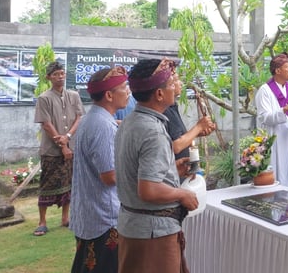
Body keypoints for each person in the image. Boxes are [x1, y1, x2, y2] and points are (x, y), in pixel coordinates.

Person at [114, 58, 198, 273]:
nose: (175, 87)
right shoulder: (153, 131)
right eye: (171, 84)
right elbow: (148, 190)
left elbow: (136, 172)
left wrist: (172, 170)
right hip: (153, 234)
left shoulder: (131, 122)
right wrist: (181, 194)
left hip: (134, 227)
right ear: (159, 94)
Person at [70, 66, 129, 273]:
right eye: (124, 87)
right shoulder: (102, 125)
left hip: (90, 212)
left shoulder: (92, 119)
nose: (128, 91)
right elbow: (110, 176)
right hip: (104, 216)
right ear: (109, 95)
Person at [33, 61, 84, 236]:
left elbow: (78, 117)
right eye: (56, 74)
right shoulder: (44, 98)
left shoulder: (74, 95)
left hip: (72, 147)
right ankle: (42, 221)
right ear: (49, 77)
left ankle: (65, 218)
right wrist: (63, 145)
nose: (60, 77)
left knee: (69, 184)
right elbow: (47, 124)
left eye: (62, 73)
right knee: (47, 184)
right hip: (51, 151)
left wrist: (68, 137)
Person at [255, 53, 288, 186]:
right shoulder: (265, 91)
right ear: (278, 70)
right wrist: (285, 109)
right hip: (276, 139)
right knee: (278, 173)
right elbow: (264, 117)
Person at [163, 69, 215, 163]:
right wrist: (198, 127)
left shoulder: (172, 107)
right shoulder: (165, 110)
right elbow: (176, 146)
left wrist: (197, 133)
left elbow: (177, 137)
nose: (181, 84)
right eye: (176, 80)